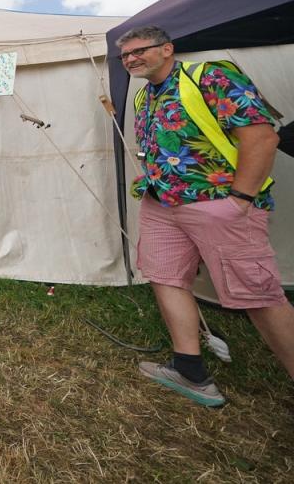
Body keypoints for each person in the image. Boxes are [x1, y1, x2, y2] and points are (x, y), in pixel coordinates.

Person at [118, 25, 294, 407]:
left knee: (258, 294)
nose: (131, 59)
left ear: (167, 49)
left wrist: (240, 200)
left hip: (218, 204)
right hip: (162, 205)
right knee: (165, 277)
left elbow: (262, 137)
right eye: (125, 55)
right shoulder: (143, 97)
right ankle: (190, 370)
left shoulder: (210, 75)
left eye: (139, 51)